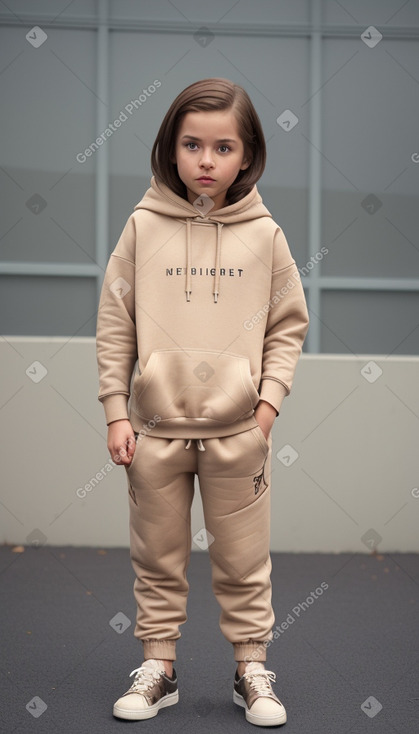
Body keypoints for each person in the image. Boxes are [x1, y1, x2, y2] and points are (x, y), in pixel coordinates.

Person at [96, 77, 309, 727]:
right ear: (171, 148)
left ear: (247, 156)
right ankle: (158, 667)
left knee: (243, 559)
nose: (206, 160)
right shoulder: (141, 227)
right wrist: (115, 409)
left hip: (236, 431)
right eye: (192, 144)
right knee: (156, 556)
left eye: (223, 147)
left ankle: (251, 669)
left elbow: (286, 325)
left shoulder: (264, 236)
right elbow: (115, 323)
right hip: (154, 431)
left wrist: (266, 405)